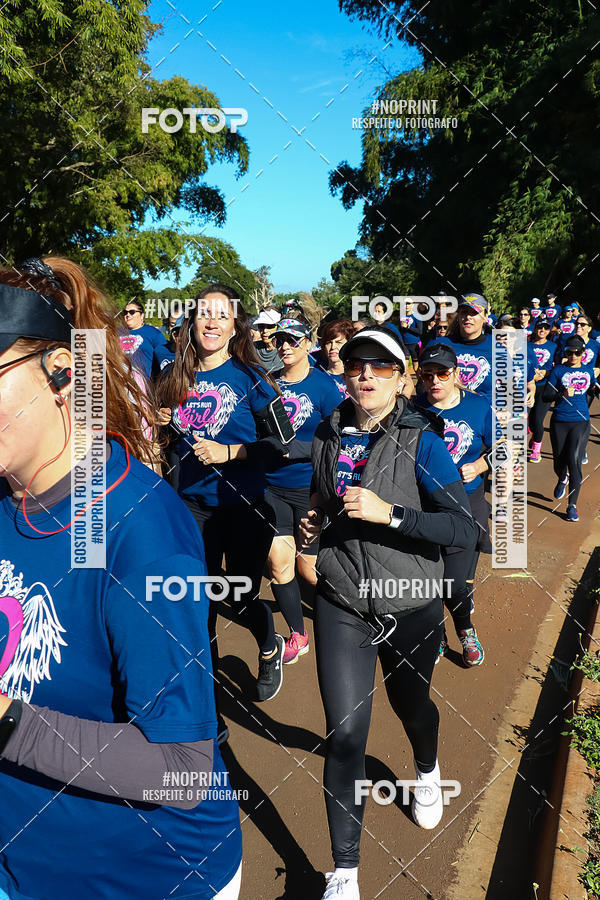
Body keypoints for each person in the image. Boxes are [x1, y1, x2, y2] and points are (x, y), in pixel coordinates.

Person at [0, 257, 242, 900]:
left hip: (148, 877)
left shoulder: (141, 530)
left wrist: (6, 723)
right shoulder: (5, 493)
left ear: (62, 373)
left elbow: (184, 773)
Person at [300, 326, 476, 900]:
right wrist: (309, 533)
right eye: (356, 365)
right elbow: (320, 502)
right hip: (343, 600)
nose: (366, 375)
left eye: (380, 366)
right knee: (346, 732)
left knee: (411, 705)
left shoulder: (423, 441)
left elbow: (460, 527)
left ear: (402, 379)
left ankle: (427, 772)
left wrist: (392, 514)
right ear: (344, 375)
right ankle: (344, 872)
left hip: (409, 600)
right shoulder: (327, 435)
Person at [156, 284, 295, 702]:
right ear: (192, 322)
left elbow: (283, 446)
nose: (211, 321)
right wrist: (160, 424)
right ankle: (206, 687)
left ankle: (268, 644)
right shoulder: (171, 376)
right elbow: (159, 443)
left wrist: (231, 451)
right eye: (203, 313)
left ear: (236, 326)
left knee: (238, 595)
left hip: (243, 507)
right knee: (198, 598)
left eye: (221, 314)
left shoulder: (252, 380)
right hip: (189, 507)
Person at [265, 318, 342, 665]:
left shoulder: (324, 387)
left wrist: (296, 449)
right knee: (278, 563)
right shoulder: (267, 384)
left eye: (292, 340)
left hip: (311, 488)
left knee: (308, 568)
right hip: (272, 486)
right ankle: (298, 634)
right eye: (280, 340)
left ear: (307, 342)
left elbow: (338, 439)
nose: (284, 346)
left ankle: (351, 615)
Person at [416, 343, 490, 666]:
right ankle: (437, 636)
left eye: (443, 374)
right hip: (424, 507)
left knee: (453, 582)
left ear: (456, 374)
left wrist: (478, 467)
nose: (435, 381)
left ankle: (465, 630)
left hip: (465, 505)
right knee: (427, 582)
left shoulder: (478, 407)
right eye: (427, 375)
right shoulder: (411, 409)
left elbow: (506, 449)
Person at [542, 335, 595, 522]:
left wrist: (596, 389)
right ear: (565, 353)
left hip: (581, 422)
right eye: (569, 352)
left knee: (574, 459)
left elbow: (592, 390)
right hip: (559, 421)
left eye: (577, 352)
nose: (573, 356)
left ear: (583, 354)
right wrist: (561, 393)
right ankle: (562, 478)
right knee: (559, 461)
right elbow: (546, 396)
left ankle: (572, 505)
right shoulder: (558, 370)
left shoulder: (589, 371)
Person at [434, 292, 495, 400]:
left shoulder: (498, 349)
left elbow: (509, 389)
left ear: (485, 317)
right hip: (446, 412)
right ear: (458, 316)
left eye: (474, 312)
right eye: (464, 312)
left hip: (485, 412)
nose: (468, 317)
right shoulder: (439, 344)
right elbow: (427, 381)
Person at [528, 318, 558, 463]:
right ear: (535, 328)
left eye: (546, 328)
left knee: (538, 419)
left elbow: (556, 367)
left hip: (545, 388)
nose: (542, 331)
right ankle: (534, 436)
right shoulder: (527, 346)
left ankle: (536, 450)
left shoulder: (553, 346)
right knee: (529, 421)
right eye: (540, 327)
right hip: (527, 387)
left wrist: (545, 373)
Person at [118, 299, 169, 382]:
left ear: (142, 315)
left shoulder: (153, 333)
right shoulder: (117, 332)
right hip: (120, 383)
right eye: (125, 313)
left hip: (145, 384)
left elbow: (164, 358)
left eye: (132, 312)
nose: (127, 315)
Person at [317, 318, 355, 399]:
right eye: (329, 342)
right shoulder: (315, 377)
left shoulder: (357, 377)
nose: (333, 347)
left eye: (338, 342)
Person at [253, 307, 284, 376]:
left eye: (270, 326)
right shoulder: (252, 348)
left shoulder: (286, 350)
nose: (264, 331)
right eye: (261, 326)